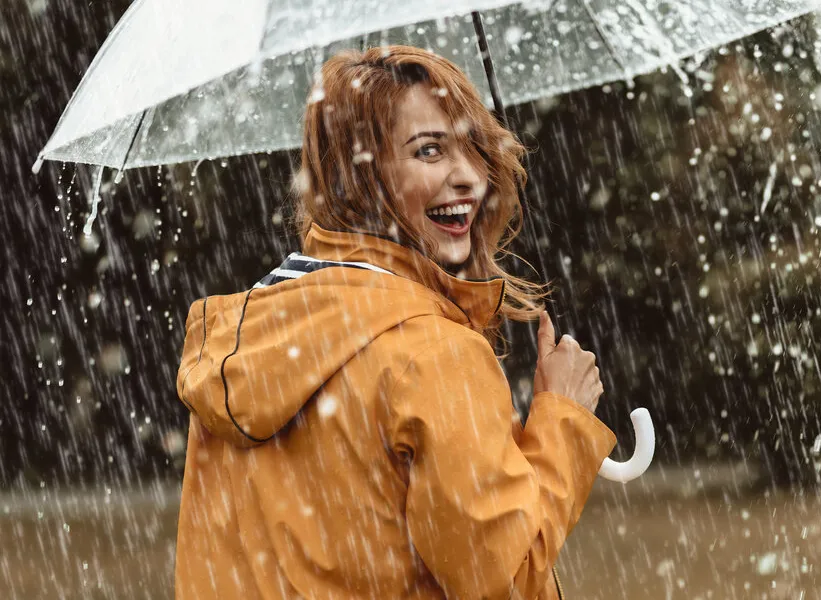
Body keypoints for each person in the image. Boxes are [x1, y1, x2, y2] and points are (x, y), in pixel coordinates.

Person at [173, 45, 616, 599]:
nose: (470, 177)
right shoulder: (432, 356)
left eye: (474, 149)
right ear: (358, 176)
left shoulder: (249, 339)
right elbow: (503, 579)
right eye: (429, 150)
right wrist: (563, 423)